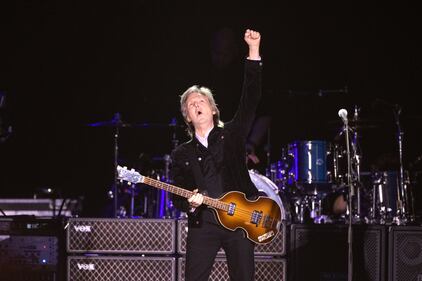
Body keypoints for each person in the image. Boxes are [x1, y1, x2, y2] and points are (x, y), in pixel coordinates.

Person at [170, 29, 262, 281]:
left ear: (213, 109)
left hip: (240, 220)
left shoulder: (232, 134)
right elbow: (176, 194)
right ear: (187, 116)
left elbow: (251, 99)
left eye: (201, 101)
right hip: (204, 225)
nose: (197, 105)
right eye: (191, 104)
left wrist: (253, 51)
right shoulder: (181, 153)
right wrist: (188, 202)